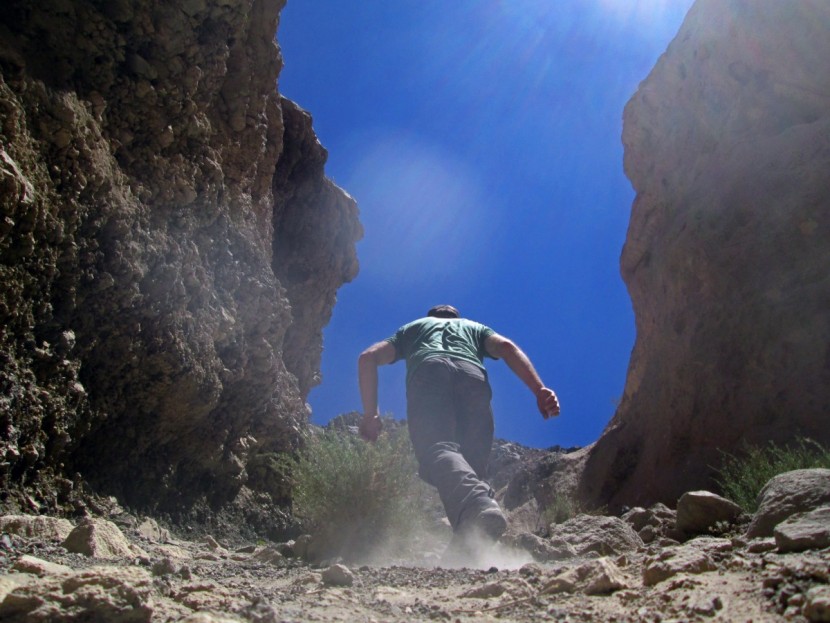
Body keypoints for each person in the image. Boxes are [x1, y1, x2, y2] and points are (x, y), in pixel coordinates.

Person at [357, 304, 560, 561]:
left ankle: (477, 508)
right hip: (473, 377)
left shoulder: (414, 328)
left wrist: (370, 414)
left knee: (437, 448)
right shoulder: (474, 328)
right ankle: (469, 544)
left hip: (429, 373)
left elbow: (368, 357)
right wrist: (539, 389)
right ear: (456, 317)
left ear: (432, 317)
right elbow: (507, 348)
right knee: (472, 469)